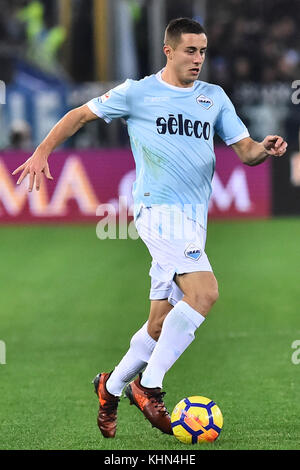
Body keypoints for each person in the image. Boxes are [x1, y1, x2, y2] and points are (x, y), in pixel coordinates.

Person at [12, 18, 288, 438]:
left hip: (195, 219)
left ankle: (112, 386)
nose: (198, 59)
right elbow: (79, 115)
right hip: (158, 213)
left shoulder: (213, 98)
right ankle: (149, 386)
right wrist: (42, 151)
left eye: (203, 51)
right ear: (169, 51)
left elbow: (245, 151)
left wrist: (264, 149)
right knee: (205, 292)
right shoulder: (137, 92)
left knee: (160, 323)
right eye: (190, 51)